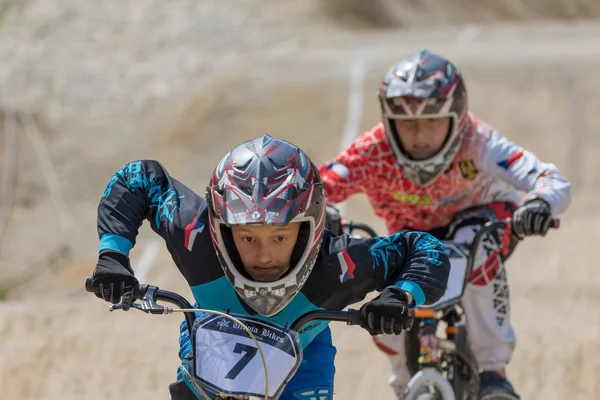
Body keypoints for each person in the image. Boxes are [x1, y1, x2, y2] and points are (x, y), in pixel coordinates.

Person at [89, 134, 451, 399]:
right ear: (220, 230)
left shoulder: (336, 263)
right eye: (248, 238)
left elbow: (423, 248)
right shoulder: (197, 235)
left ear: (311, 228)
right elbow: (137, 178)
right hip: (213, 337)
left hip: (303, 355)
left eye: (280, 238)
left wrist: (400, 295)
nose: (264, 256)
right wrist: (113, 257)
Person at [319, 50, 571, 399]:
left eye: (432, 121)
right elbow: (315, 186)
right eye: (407, 124)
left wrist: (541, 203)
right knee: (376, 283)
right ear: (389, 121)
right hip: (414, 241)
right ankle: (404, 375)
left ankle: (494, 374)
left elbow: (548, 177)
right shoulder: (371, 150)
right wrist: (317, 215)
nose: (419, 134)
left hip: (483, 219)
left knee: (476, 248)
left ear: (456, 117)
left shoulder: (477, 141)